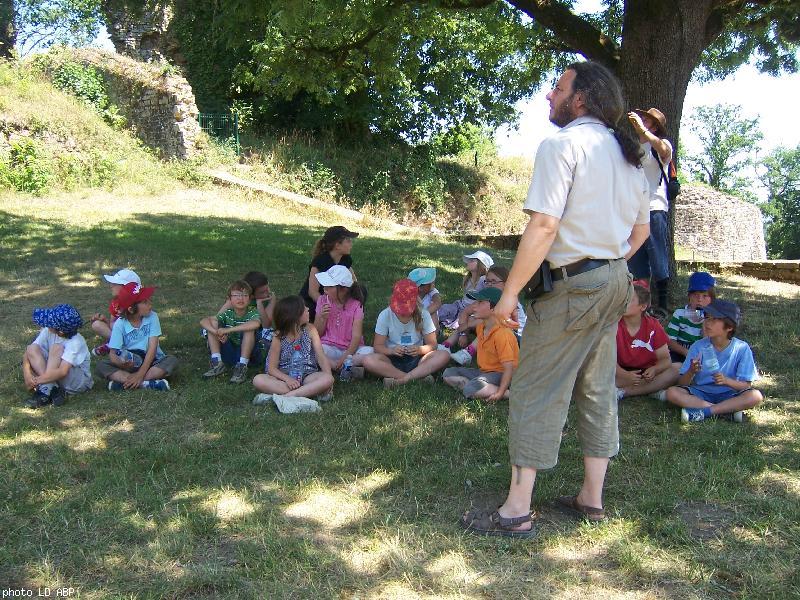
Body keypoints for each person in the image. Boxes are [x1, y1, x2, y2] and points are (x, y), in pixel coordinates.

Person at [460, 61, 650, 537]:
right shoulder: (632, 156)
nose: (549, 96)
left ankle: (516, 510)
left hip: (575, 289)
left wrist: (509, 295)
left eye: (558, 88)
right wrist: (606, 261)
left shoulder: (563, 145)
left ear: (580, 98)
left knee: (535, 389)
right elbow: (642, 233)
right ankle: (592, 498)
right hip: (616, 283)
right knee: (596, 388)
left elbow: (544, 226)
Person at [665, 299, 762, 423]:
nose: (707, 323)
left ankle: (706, 412)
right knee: (672, 393)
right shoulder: (698, 346)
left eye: (714, 319)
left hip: (729, 394)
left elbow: (746, 385)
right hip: (701, 393)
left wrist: (727, 381)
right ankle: (726, 412)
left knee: (755, 396)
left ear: (730, 327)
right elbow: (682, 384)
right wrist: (691, 371)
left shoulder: (742, 348)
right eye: (707, 318)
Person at [361, 279, 451, 387]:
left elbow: (433, 345)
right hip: (391, 359)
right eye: (399, 310)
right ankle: (416, 377)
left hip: (418, 359)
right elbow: (377, 346)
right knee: (368, 360)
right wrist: (391, 350)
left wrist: (420, 350)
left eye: (406, 310)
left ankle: (400, 380)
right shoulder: (385, 315)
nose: (402, 314)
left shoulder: (424, 314)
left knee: (444, 355)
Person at [626, 107, 673, 310]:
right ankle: (641, 304)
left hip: (654, 207)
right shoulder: (635, 146)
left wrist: (645, 133)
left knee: (657, 256)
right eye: (642, 118)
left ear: (655, 126)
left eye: (647, 120)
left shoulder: (661, 145)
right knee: (636, 259)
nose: (642, 121)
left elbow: (664, 150)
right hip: (633, 210)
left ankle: (662, 304)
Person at [95, 282, 178, 391]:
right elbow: (113, 354)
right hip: (130, 364)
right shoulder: (120, 324)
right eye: (144, 302)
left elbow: (152, 348)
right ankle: (146, 384)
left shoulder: (153, 317)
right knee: (101, 366)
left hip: (152, 361)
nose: (150, 303)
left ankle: (126, 384)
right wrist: (122, 364)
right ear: (131, 309)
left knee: (171, 361)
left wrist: (140, 374)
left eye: (148, 299)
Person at [253, 295, 334, 404]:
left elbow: (321, 357)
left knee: (328, 379)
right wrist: (288, 379)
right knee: (258, 380)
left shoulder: (310, 329)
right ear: (295, 316)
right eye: (304, 308)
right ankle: (306, 392)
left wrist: (329, 380)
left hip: (308, 375)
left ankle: (287, 396)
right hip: (284, 378)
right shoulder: (278, 337)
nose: (308, 309)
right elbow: (272, 369)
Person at [442, 287, 518, 403]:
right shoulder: (481, 326)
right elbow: (462, 326)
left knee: (472, 387)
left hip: (501, 374)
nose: (474, 306)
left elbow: (509, 368)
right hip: (484, 373)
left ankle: (510, 394)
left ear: (494, 308)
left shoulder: (502, 334)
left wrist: (500, 393)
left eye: (480, 302)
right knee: (448, 374)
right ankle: (475, 388)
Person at [448, 265, 527, 366]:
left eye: (493, 281)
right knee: (474, 318)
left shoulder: (509, 301)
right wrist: (464, 333)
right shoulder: (486, 298)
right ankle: (446, 345)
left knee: (488, 323)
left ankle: (468, 352)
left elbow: (508, 325)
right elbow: (465, 312)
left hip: (514, 338)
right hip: (495, 332)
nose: (489, 284)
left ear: (506, 284)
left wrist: (469, 324)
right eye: (487, 281)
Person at [615, 281, 679, 401]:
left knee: (677, 369)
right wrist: (625, 375)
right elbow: (608, 360)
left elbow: (665, 359)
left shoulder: (653, 325)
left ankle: (624, 392)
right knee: (594, 374)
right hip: (620, 372)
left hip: (648, 373)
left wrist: (655, 369)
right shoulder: (614, 324)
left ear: (643, 306)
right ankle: (650, 389)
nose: (624, 301)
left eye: (630, 299)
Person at [22, 304, 93, 408]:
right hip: (56, 376)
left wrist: (37, 381)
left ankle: (46, 389)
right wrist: (27, 375)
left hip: (77, 383)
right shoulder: (48, 331)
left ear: (60, 331)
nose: (47, 324)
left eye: (51, 323)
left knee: (56, 348)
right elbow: (28, 352)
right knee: (31, 348)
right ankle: (51, 388)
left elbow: (63, 371)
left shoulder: (76, 342)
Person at [200, 280, 262, 384]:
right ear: (229, 299)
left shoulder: (252, 312)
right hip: (230, 351)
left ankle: (242, 367)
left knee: (248, 329)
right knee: (212, 323)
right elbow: (204, 321)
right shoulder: (228, 313)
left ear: (250, 298)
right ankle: (217, 363)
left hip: (250, 355)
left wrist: (228, 330)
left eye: (244, 295)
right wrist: (217, 332)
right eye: (236, 295)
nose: (240, 298)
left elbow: (256, 324)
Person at [313, 265, 370, 377]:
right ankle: (341, 368)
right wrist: (322, 318)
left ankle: (337, 366)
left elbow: (356, 337)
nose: (325, 289)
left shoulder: (356, 305)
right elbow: (317, 333)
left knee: (369, 353)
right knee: (314, 350)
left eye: (329, 287)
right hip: (329, 347)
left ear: (343, 289)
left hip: (351, 350)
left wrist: (345, 357)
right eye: (324, 286)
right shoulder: (322, 300)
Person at [299, 226, 360, 322]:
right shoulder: (320, 262)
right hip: (313, 302)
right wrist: (326, 305)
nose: (351, 244)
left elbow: (354, 283)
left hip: (335, 299)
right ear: (337, 245)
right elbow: (312, 292)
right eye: (348, 241)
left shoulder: (345, 260)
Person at [89, 268, 141, 357]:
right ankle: (118, 345)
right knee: (96, 324)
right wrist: (105, 320)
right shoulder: (115, 302)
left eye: (115, 283)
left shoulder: (137, 304)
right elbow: (113, 323)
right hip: (120, 333)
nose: (111, 285)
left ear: (125, 287)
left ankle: (114, 346)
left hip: (136, 336)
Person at [666, 272, 716, 364]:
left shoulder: (714, 318)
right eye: (695, 295)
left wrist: (706, 323)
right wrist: (687, 353)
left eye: (705, 296)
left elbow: (709, 343)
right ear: (689, 296)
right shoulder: (680, 314)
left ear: (712, 298)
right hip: (679, 353)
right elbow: (670, 341)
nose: (700, 299)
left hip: (702, 355)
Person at [437, 250, 494, 330]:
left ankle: (450, 323)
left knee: (465, 321)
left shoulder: (483, 280)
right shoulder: (467, 279)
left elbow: (488, 298)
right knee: (444, 309)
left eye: (472, 260)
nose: (468, 262)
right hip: (460, 305)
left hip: (472, 311)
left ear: (481, 265)